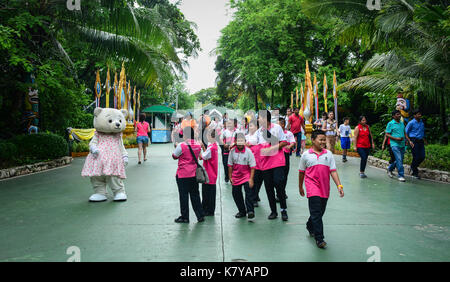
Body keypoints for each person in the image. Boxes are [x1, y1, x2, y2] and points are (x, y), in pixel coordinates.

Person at [298, 129, 344, 249]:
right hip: (312, 187)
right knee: (317, 212)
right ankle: (320, 239)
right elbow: (301, 172)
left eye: (324, 140)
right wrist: (300, 187)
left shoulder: (328, 154)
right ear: (313, 140)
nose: (323, 142)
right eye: (321, 139)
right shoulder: (306, 155)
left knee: (320, 211)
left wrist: (339, 185)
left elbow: (333, 171)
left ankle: (310, 224)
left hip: (325, 188)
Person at [257, 110, 289, 221]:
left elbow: (284, 142)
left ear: (266, 119)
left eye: (259, 117)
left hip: (277, 162)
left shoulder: (277, 128)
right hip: (265, 164)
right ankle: (273, 211)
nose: (258, 120)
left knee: (279, 184)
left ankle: (283, 210)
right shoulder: (258, 132)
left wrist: (272, 148)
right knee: (269, 187)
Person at [172, 126, 205, 223]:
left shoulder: (181, 145)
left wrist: (176, 147)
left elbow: (174, 156)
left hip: (183, 175)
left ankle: (185, 217)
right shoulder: (198, 145)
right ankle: (200, 215)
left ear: (185, 135)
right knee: (195, 195)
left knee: (184, 196)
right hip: (194, 174)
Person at [228, 133, 257, 220]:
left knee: (249, 191)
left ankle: (250, 211)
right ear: (235, 141)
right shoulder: (232, 152)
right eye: (238, 141)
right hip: (236, 176)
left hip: (246, 175)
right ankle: (242, 211)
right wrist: (230, 177)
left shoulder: (248, 151)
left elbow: (252, 167)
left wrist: (251, 179)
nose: (240, 143)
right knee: (235, 193)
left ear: (244, 142)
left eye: (242, 141)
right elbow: (230, 165)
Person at [386, 110, 411, 182]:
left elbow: (404, 132)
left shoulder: (402, 123)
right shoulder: (390, 123)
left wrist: (409, 140)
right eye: (397, 114)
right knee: (399, 159)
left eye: (399, 114)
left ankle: (390, 168)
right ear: (393, 116)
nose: (399, 115)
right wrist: (396, 138)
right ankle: (401, 175)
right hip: (394, 144)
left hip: (402, 144)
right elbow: (387, 134)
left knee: (399, 159)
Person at [200, 129, 219, 216]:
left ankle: (206, 210)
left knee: (206, 194)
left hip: (208, 175)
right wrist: (203, 147)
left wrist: (198, 148)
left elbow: (202, 157)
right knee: (211, 194)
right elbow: (206, 155)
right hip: (213, 175)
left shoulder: (211, 148)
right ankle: (210, 210)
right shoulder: (214, 146)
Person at [245, 119, 263, 207]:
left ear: (257, 127)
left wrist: (248, 143)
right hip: (249, 162)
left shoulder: (259, 136)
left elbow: (254, 142)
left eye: (252, 126)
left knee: (258, 180)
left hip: (259, 161)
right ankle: (253, 197)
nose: (250, 127)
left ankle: (255, 196)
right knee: (251, 180)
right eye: (249, 126)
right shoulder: (247, 136)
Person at [278, 117, 296, 202]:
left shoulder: (288, 133)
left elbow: (293, 142)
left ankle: (282, 192)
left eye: (279, 124)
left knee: (284, 175)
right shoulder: (275, 134)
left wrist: (289, 146)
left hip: (285, 155)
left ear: (283, 124)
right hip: (277, 156)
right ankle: (279, 192)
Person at [405, 109, 427, 179]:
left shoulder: (421, 122)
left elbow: (422, 132)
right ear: (414, 115)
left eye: (420, 114)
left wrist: (424, 140)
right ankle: (415, 172)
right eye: (418, 114)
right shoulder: (411, 123)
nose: (420, 115)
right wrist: (408, 141)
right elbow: (406, 132)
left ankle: (413, 166)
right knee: (416, 156)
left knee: (422, 156)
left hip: (421, 141)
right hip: (413, 141)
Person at [221, 119, 236, 183]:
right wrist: (224, 144)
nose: (229, 125)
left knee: (234, 164)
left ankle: (233, 176)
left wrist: (234, 144)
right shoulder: (225, 131)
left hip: (235, 151)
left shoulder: (237, 131)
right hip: (226, 151)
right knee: (225, 164)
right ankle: (227, 176)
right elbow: (221, 139)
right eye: (228, 123)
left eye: (231, 123)